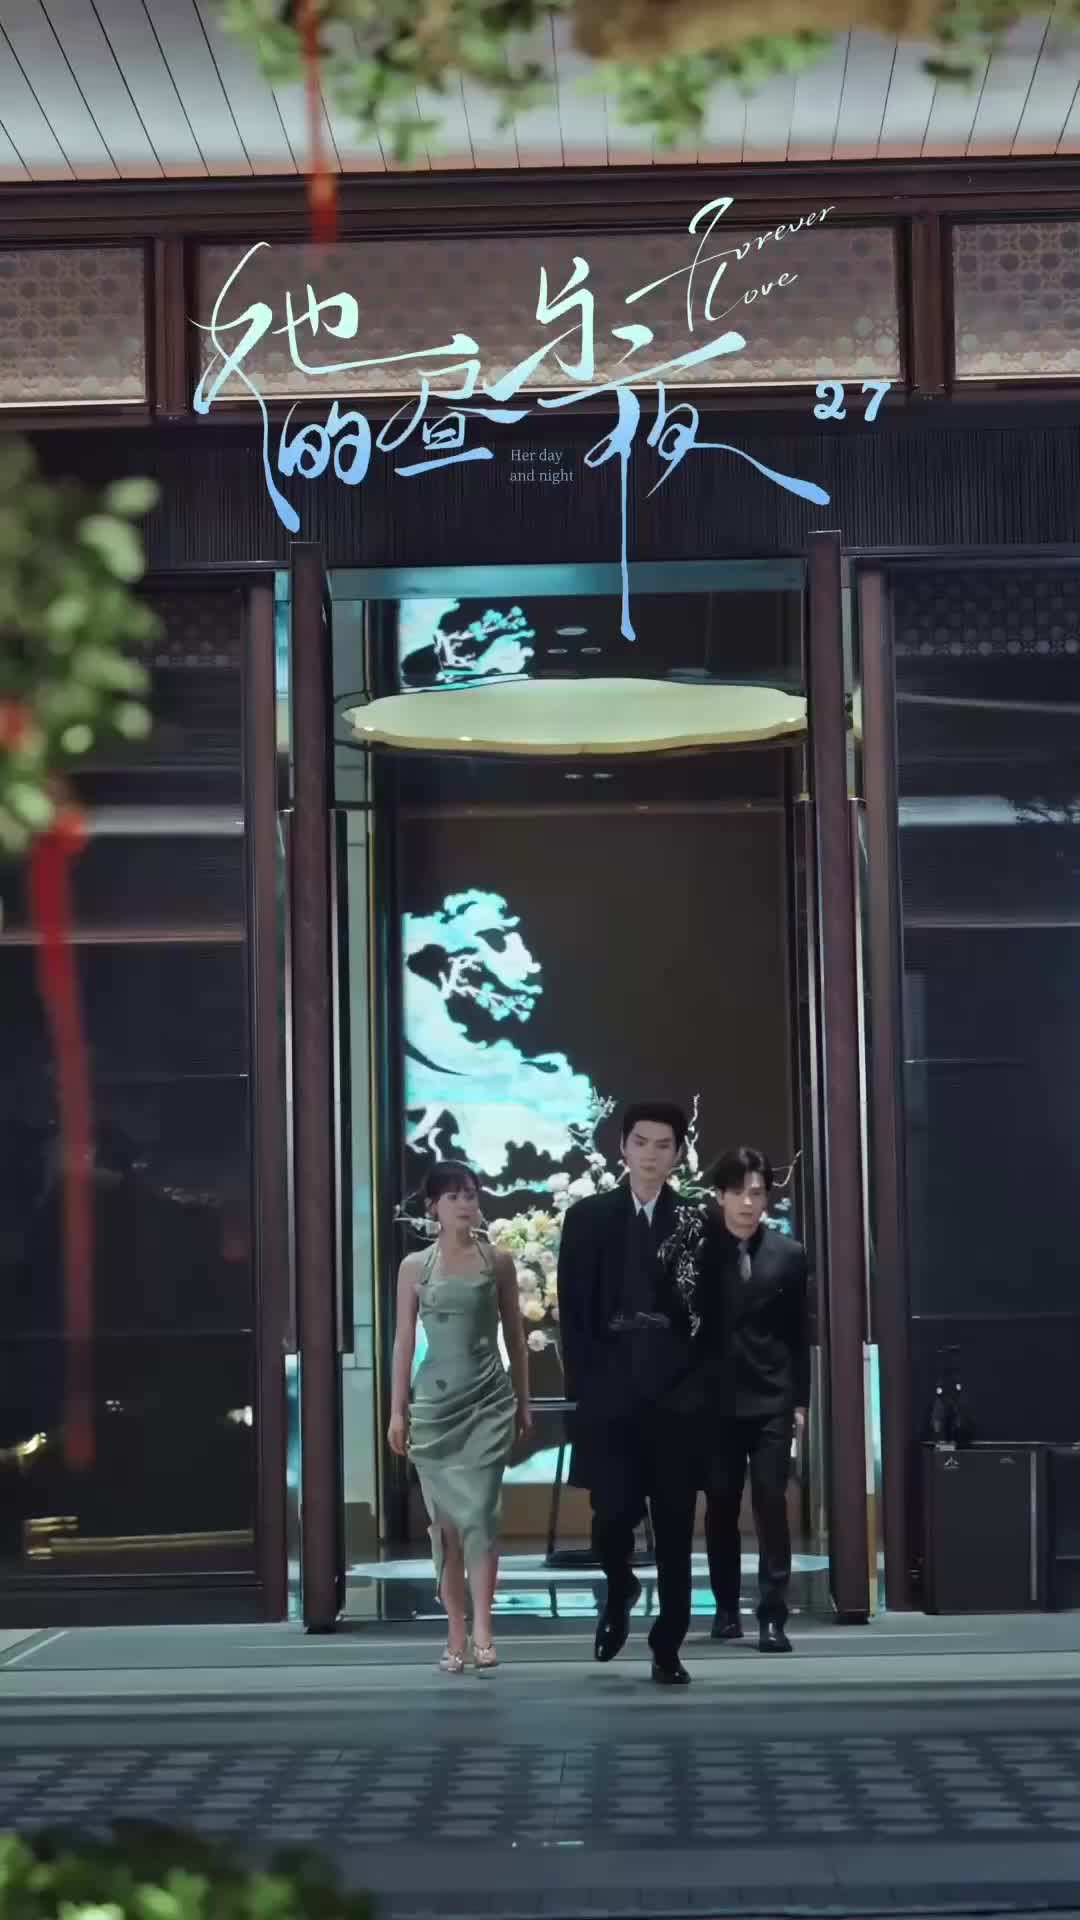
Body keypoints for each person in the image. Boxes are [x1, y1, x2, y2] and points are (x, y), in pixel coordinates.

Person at [557, 1102, 701, 1687]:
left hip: (677, 1404)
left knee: (675, 1531)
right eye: (640, 1143)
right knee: (612, 1517)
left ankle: (668, 1647)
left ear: (678, 1153)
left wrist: (696, 1391)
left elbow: (706, 1317)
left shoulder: (694, 1222)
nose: (650, 1155)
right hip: (611, 1400)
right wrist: (586, 1396)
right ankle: (619, 1587)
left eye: (663, 1145)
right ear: (622, 1147)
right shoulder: (588, 1218)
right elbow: (573, 1318)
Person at [388, 1160, 531, 1675]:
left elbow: (516, 1337)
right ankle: (455, 1632)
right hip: (435, 1406)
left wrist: (523, 1400)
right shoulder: (414, 1267)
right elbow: (404, 1341)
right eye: (453, 1196)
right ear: (433, 1207)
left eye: (470, 1194)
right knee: (446, 1527)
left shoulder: (498, 1262)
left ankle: (485, 1629)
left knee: (481, 1518)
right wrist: (397, 1410)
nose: (465, 1204)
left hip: (488, 1401)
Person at [700, 1147, 811, 1654]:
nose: (748, 1202)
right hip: (715, 1401)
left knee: (770, 1502)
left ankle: (772, 1615)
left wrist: (800, 1400)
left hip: (772, 1397)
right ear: (719, 1195)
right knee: (721, 1504)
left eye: (757, 1192)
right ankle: (726, 1609)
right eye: (738, 1192)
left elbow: (798, 1333)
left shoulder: (788, 1255)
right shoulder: (700, 1251)